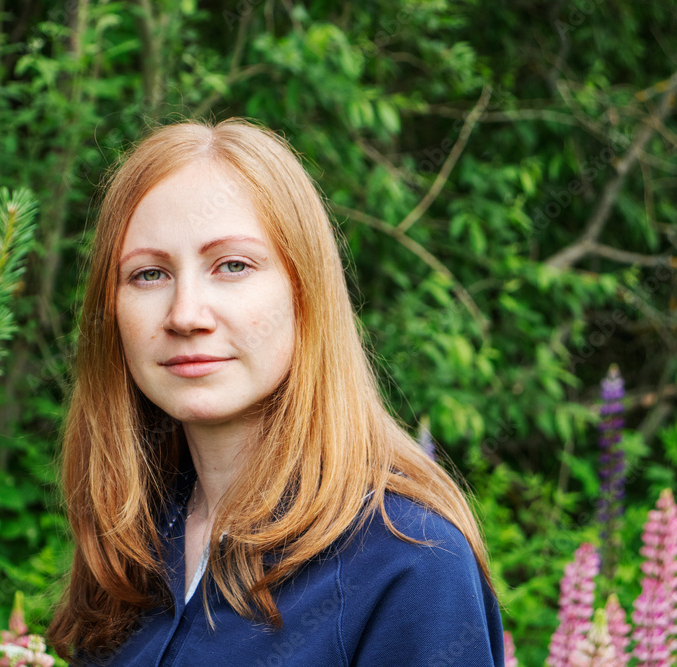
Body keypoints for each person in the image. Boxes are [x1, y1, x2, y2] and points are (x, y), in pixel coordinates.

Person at [46, 117, 505, 666]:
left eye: (232, 266)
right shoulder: (130, 547)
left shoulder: (410, 562)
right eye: (149, 274)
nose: (186, 314)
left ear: (303, 292)